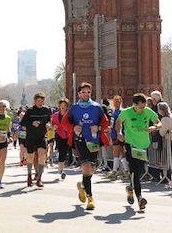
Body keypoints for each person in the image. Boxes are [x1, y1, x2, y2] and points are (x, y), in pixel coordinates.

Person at [67, 82, 109, 210]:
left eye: (88, 92)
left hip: (94, 141)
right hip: (80, 140)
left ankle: (83, 186)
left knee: (92, 168)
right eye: (83, 92)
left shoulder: (97, 107)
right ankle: (90, 198)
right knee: (86, 167)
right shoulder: (74, 108)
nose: (86, 94)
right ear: (79, 93)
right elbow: (65, 123)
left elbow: (105, 122)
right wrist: (74, 127)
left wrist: (99, 127)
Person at [115, 93, 161, 211]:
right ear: (134, 105)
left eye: (144, 107)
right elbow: (118, 122)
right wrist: (119, 132)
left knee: (138, 172)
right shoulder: (126, 112)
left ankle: (130, 189)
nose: (142, 110)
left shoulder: (148, 111)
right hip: (130, 144)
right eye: (140, 107)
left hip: (143, 145)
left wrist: (154, 127)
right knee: (134, 170)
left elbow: (159, 122)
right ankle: (140, 198)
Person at [21, 92, 52, 187]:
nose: (40, 102)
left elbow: (49, 121)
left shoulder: (46, 110)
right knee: (30, 158)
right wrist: (32, 123)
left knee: (42, 156)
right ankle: (29, 175)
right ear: (34, 101)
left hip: (41, 137)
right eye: (38, 101)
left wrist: (48, 125)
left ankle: (39, 178)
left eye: (42, 101)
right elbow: (22, 124)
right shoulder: (30, 111)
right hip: (30, 137)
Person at [107, 95, 127, 180]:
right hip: (115, 134)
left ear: (120, 102)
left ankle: (115, 171)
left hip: (119, 135)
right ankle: (126, 171)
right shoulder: (114, 112)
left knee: (117, 152)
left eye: (118, 101)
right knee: (121, 153)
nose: (116, 103)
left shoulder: (122, 112)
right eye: (115, 101)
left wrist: (121, 133)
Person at [51, 98, 71, 180]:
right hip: (59, 135)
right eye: (61, 105)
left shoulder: (69, 114)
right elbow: (52, 125)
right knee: (61, 152)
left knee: (65, 152)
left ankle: (61, 167)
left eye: (65, 105)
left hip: (68, 136)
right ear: (59, 106)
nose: (63, 107)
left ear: (67, 106)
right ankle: (61, 170)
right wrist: (53, 127)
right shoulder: (55, 115)